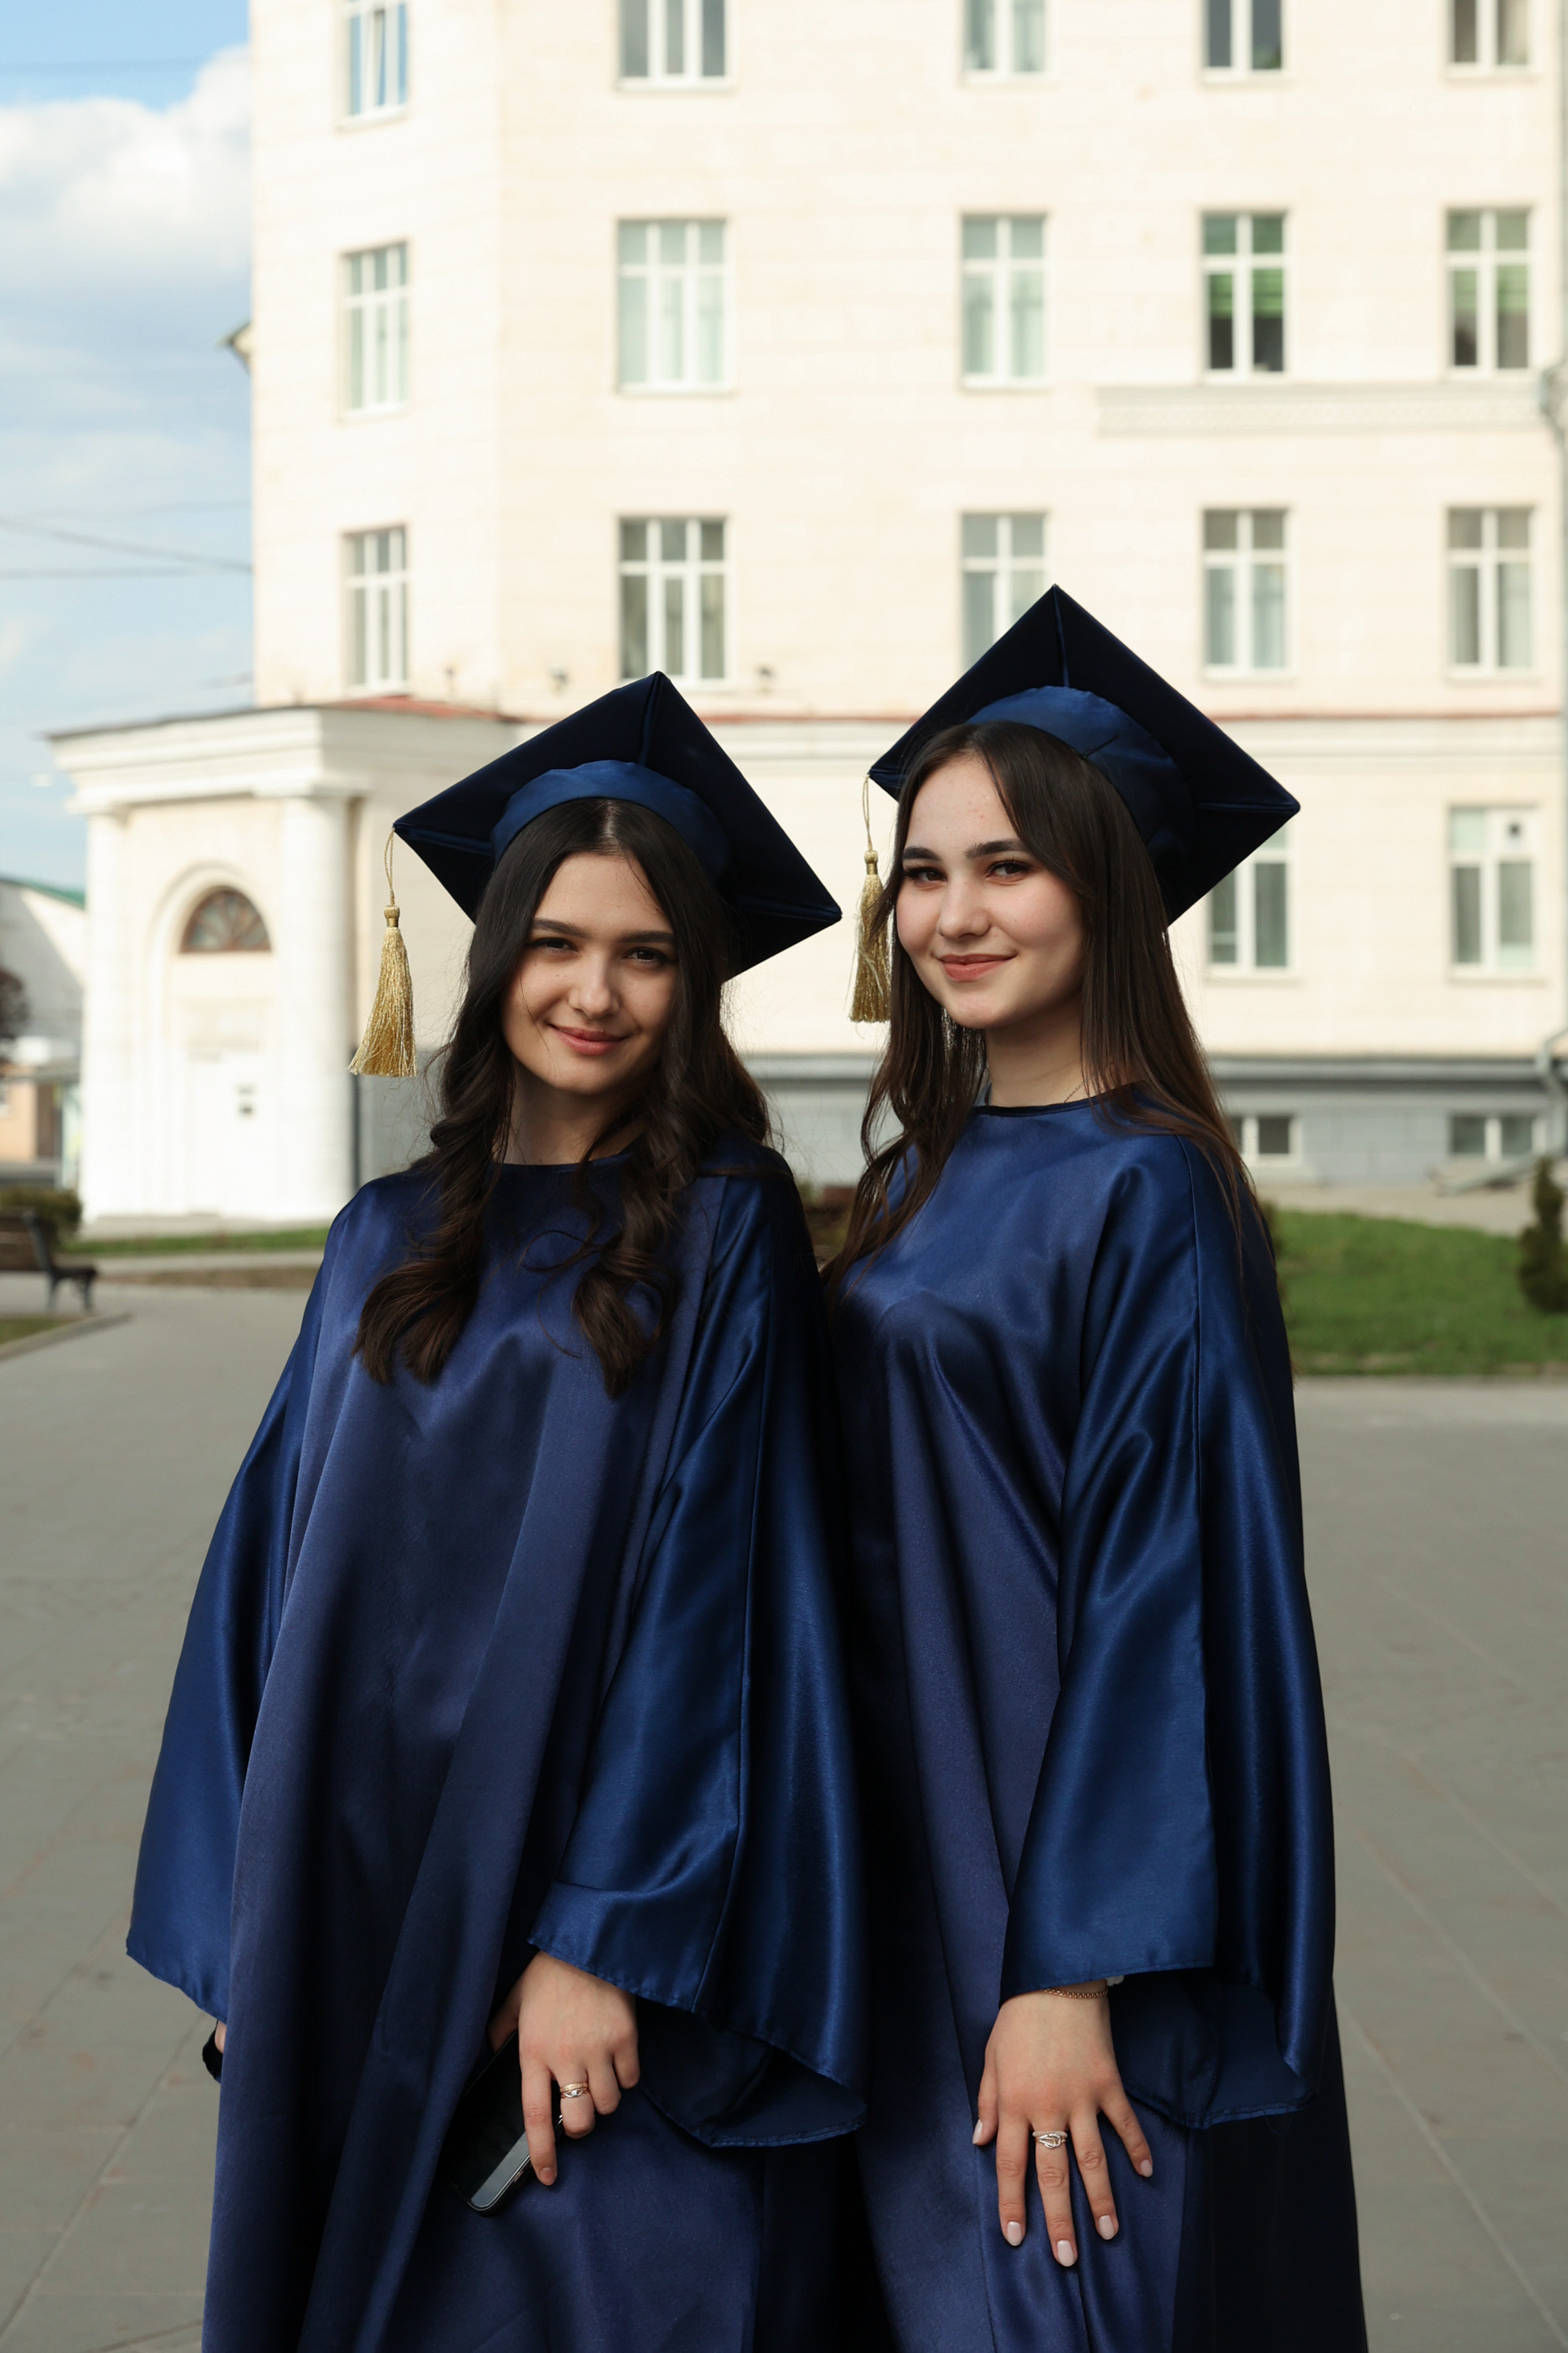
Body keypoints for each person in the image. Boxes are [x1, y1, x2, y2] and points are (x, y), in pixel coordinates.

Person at [128, 675, 872, 2351]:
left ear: (694, 985)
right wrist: (248, 1930)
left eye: (645, 954)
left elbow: (723, 1592)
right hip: (355, 1869)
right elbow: (263, 1576)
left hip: (568, 1881)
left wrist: (604, 1934)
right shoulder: (380, 1235)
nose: (593, 992)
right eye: (554, 942)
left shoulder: (727, 1231)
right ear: (489, 959)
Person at [827, 589, 1367, 2351]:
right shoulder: (919, 1173)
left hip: (1046, 1894)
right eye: (924, 872)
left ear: (1109, 888)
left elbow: (1167, 1595)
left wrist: (1072, 1964)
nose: (954, 913)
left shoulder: (1151, 1187)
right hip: (899, 1855)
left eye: (1009, 866)